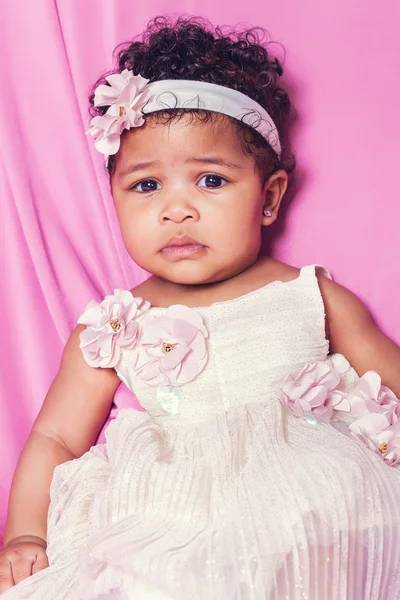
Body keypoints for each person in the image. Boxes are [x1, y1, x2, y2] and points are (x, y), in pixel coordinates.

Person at [1, 15, 400, 600]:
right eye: (146, 186)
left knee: (337, 524)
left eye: (210, 181)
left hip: (303, 484)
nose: (176, 210)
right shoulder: (116, 324)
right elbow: (57, 437)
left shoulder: (310, 295)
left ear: (268, 198)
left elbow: (392, 376)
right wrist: (25, 534)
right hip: (171, 503)